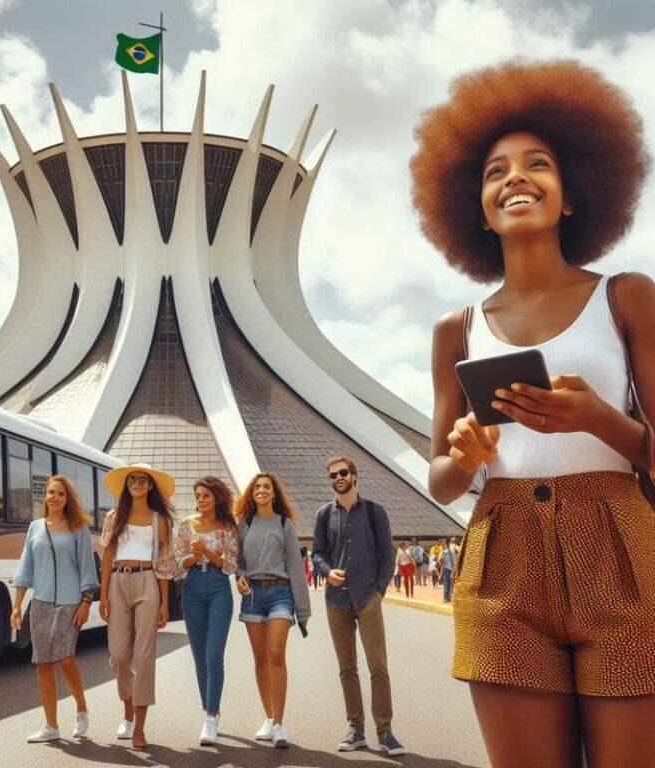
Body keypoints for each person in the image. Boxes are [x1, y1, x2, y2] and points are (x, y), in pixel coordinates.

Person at [414, 59, 655, 767]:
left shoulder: (628, 297)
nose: (515, 178)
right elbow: (441, 483)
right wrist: (462, 454)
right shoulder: (455, 330)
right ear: (476, 207)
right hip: (502, 557)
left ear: (572, 197)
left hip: (622, 551)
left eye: (536, 164)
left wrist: (597, 418)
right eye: (495, 172)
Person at [312, 456, 406, 756]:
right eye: (332, 475)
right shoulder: (324, 515)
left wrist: (378, 592)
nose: (338, 478)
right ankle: (355, 729)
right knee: (346, 668)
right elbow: (317, 554)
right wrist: (328, 572)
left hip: (367, 598)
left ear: (354, 476)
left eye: (343, 473)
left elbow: (386, 556)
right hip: (336, 600)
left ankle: (385, 731)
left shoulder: (376, 513)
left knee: (378, 666)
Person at [11, 474, 99, 743]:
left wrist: (86, 602)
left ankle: (82, 708)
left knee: (65, 659)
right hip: (41, 603)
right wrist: (17, 606)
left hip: (71, 603)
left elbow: (87, 567)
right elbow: (25, 568)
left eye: (60, 493)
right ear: (45, 497)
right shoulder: (35, 527)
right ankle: (51, 725)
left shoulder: (78, 528)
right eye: (51, 493)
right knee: (43, 663)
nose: (55, 497)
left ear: (67, 498)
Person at [99, 463, 175, 750]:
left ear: (151, 486)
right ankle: (128, 708)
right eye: (132, 480)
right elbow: (107, 558)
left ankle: (139, 728)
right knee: (119, 656)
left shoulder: (160, 519)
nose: (137, 484)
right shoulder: (113, 517)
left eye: (142, 480)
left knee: (144, 658)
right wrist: (103, 595)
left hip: (148, 583)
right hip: (118, 582)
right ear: (126, 485)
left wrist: (165, 602)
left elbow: (165, 564)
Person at [234, 472, 311, 749]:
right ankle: (268, 717)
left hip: (281, 593)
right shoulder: (245, 524)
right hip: (253, 595)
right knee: (260, 659)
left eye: (267, 487)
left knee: (276, 654)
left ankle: (279, 724)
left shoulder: (284, 523)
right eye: (257, 487)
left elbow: (295, 567)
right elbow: (239, 561)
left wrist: (302, 611)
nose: (262, 490)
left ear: (274, 493)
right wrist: (239, 576)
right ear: (251, 494)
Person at [175, 476, 238, 746]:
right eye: (198, 495)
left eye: (206, 496)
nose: (200, 500)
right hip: (192, 589)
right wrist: (193, 556)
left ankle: (211, 717)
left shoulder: (228, 527)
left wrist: (207, 553)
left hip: (218, 588)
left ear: (217, 498)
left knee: (214, 654)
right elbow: (179, 563)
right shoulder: (186, 525)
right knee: (199, 655)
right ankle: (209, 710)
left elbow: (231, 565)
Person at [440, 537, 455, 603]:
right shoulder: (449, 550)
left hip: (446, 568)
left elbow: (444, 562)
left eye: (443, 541)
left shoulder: (445, 551)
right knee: (448, 583)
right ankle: (448, 597)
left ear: (445, 542)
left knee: (446, 583)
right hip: (450, 568)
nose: (442, 543)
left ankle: (445, 598)